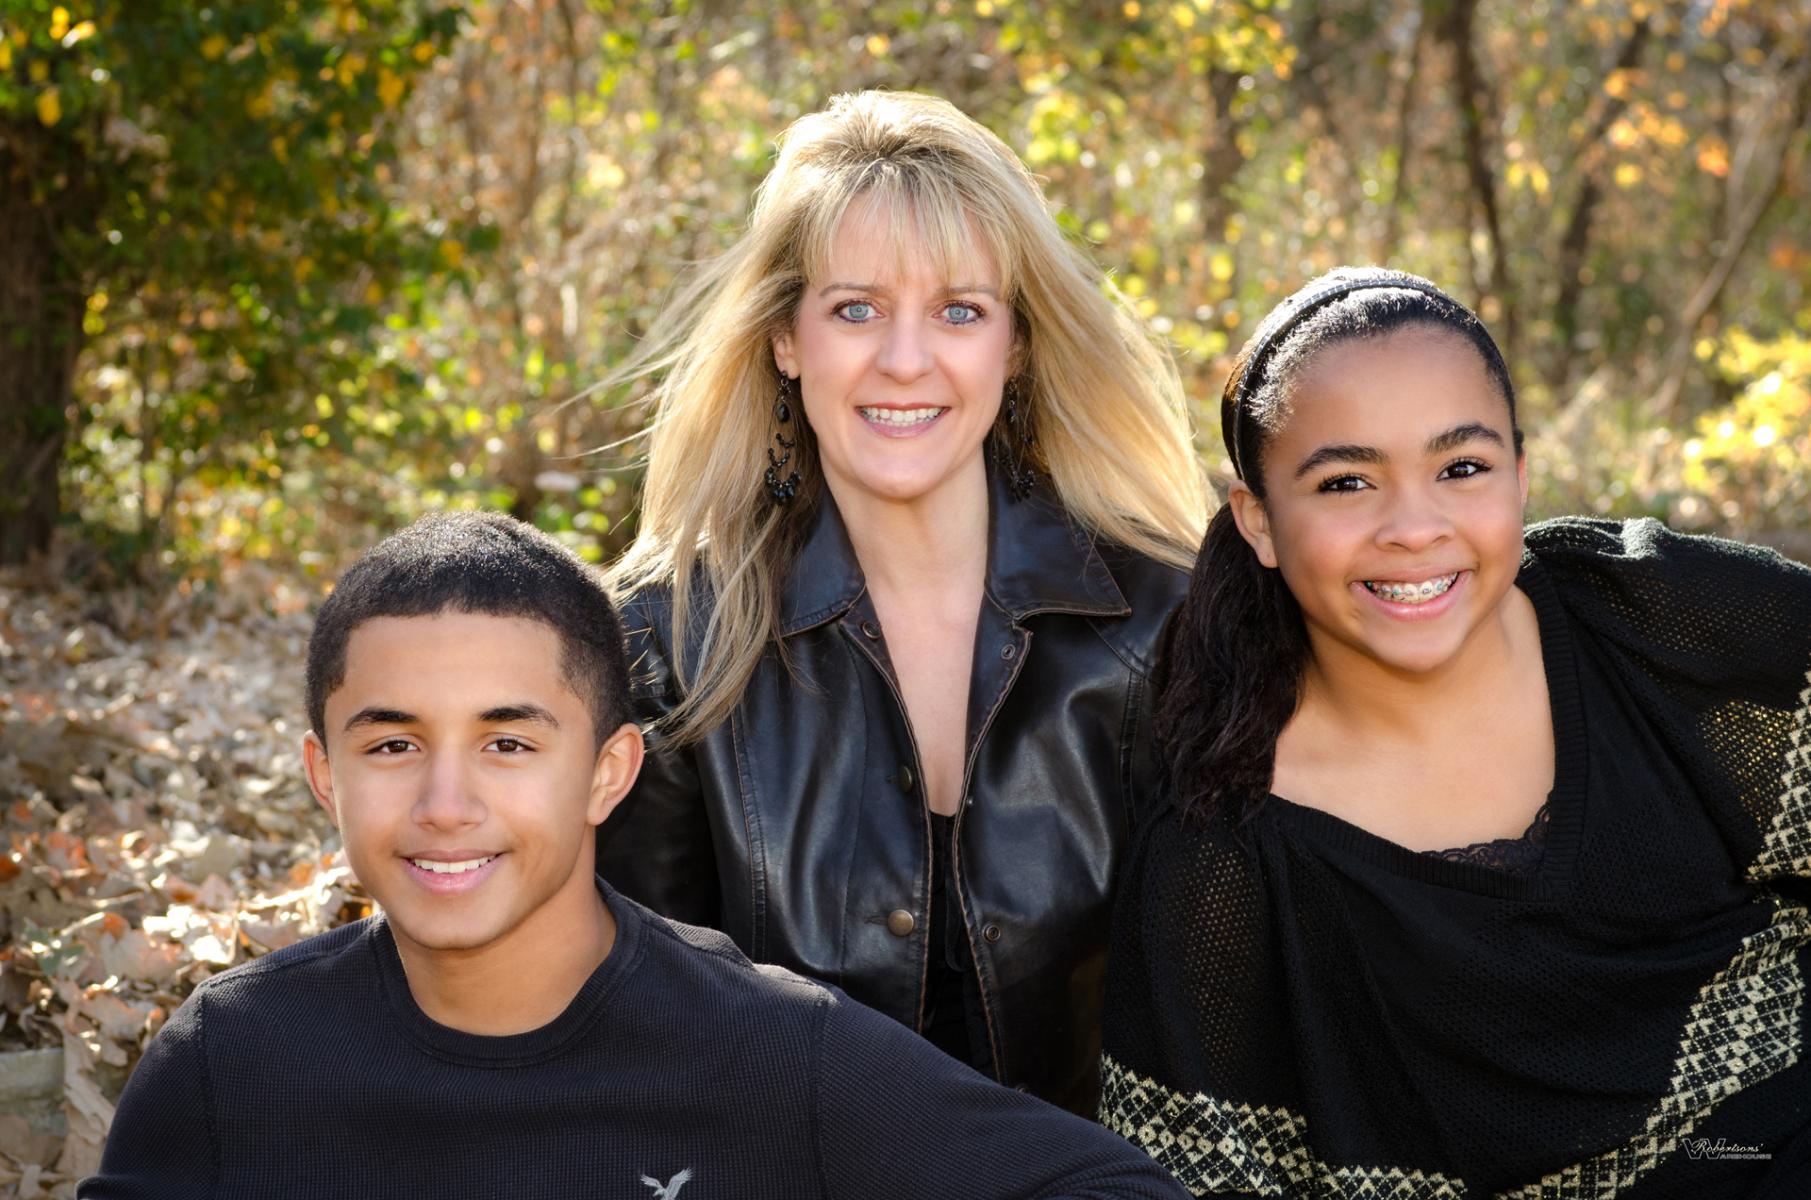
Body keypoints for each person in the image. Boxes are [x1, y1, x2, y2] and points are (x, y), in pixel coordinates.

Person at [80, 512, 1191, 1199]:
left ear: (608, 772)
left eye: (508, 742)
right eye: (393, 744)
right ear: (325, 776)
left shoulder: (771, 1053)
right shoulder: (227, 1065)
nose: (446, 802)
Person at [1099, 268, 1811, 1197]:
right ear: (1258, 522)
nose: (1412, 526)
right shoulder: (1226, 857)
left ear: (1521, 474)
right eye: (1345, 482)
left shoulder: (1668, 626)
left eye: (1460, 468)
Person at [599, 89, 1208, 1113]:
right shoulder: (669, 642)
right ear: (785, 340)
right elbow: (645, 1036)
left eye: (959, 311)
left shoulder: (1164, 623)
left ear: (1014, 345)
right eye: (855, 309)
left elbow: (1222, 1029)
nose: (905, 360)